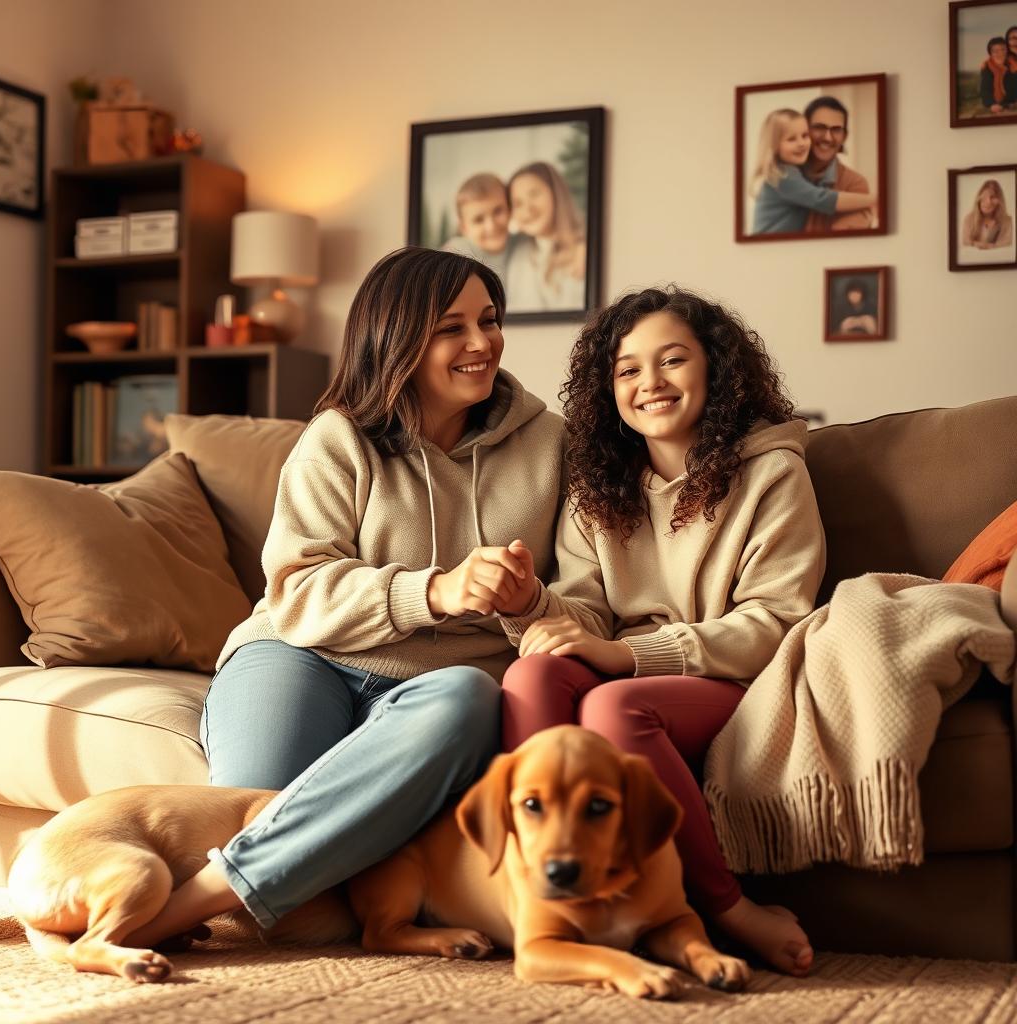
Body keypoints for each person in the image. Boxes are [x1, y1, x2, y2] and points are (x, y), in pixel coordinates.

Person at [123, 246, 564, 947]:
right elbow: (296, 589)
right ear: (397, 340)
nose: (482, 344)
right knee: (254, 809)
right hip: (299, 654)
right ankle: (264, 884)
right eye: (452, 328)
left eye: (490, 320)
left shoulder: (551, 445)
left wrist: (527, 601)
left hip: (435, 686)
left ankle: (194, 901)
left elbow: (585, 600)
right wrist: (438, 590)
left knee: (467, 702)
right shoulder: (338, 439)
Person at [499, 285, 826, 977]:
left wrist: (624, 654)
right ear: (606, 388)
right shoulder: (597, 489)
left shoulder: (773, 475)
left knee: (615, 704)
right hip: (624, 666)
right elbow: (582, 609)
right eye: (627, 369)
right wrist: (533, 604)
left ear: (715, 368)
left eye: (672, 360)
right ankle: (544, 903)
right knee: (531, 673)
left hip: (727, 678)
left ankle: (730, 910)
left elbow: (775, 620)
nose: (650, 383)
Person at [750, 108, 876, 235]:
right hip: (769, 250)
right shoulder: (783, 176)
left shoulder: (789, 171)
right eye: (791, 139)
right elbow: (822, 199)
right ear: (774, 146)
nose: (801, 143)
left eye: (805, 136)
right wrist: (875, 199)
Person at [506, 161, 586, 312]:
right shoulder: (519, 253)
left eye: (534, 194)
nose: (528, 209)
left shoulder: (586, 247)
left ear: (556, 193)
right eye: (517, 203)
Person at [802, 96, 876, 233]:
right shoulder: (784, 175)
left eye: (836, 130)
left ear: (844, 137)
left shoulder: (855, 183)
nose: (828, 137)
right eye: (819, 127)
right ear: (804, 130)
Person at [441, 172, 521, 280]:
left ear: (510, 209)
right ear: (464, 228)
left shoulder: (524, 244)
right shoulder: (455, 255)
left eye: (497, 211)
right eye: (478, 220)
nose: (491, 226)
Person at [961, 179, 1014, 249]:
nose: (988, 202)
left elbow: (1007, 246)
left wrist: (976, 244)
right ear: (978, 198)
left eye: (992, 197)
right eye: (984, 196)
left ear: (1000, 201)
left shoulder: (1008, 221)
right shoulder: (969, 219)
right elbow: (965, 244)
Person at [979, 36, 1017, 114]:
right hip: (997, 105)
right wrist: (992, 104)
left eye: (1003, 49)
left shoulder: (1014, 65)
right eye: (995, 51)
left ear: (1007, 50)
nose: (1000, 53)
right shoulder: (987, 68)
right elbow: (985, 90)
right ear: (990, 53)